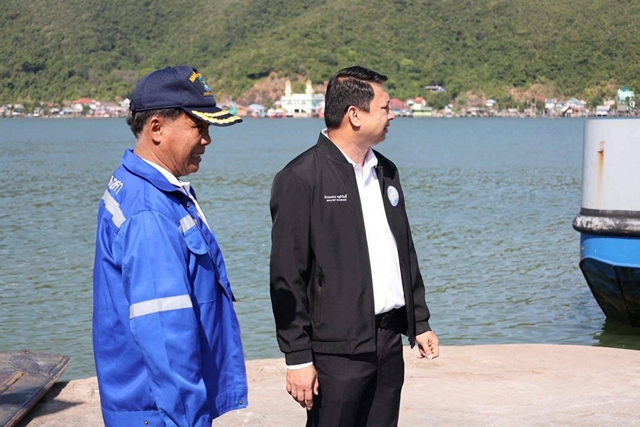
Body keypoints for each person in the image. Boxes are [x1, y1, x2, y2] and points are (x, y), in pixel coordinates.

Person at [269, 65, 440, 427]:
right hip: (336, 351)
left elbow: (403, 252)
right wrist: (298, 356)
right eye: (385, 107)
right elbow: (287, 275)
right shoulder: (300, 178)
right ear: (355, 115)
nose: (392, 115)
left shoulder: (386, 171)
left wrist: (420, 321)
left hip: (388, 341)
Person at [93, 65, 248, 426]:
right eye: (198, 127)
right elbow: (165, 335)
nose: (207, 140)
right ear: (157, 128)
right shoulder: (149, 212)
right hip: (162, 412)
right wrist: (189, 419)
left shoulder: (143, 188)